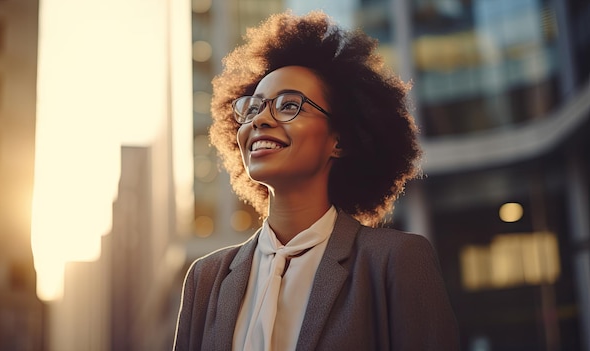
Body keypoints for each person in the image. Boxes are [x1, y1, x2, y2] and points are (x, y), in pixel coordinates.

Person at [174, 10, 459, 351]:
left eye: (289, 105)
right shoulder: (206, 279)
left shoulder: (395, 262)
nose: (261, 119)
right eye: (253, 109)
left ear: (340, 140)